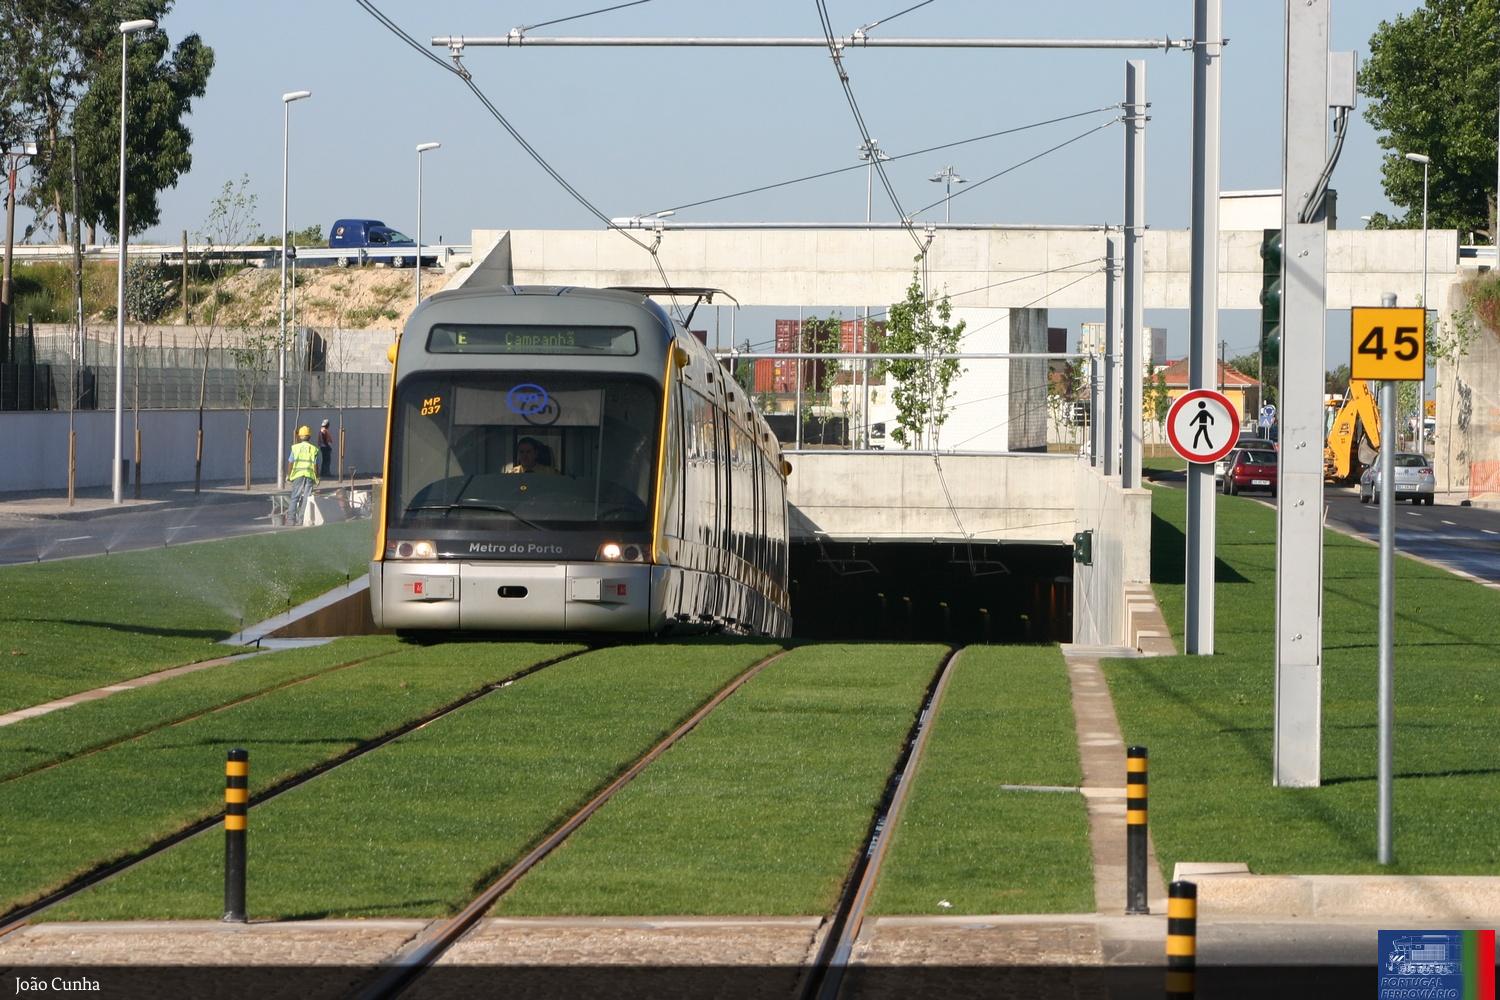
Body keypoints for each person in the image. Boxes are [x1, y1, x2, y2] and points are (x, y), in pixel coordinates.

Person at [286, 425, 320, 525]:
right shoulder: (313, 449)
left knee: (294, 497)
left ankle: (291, 520)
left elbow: (290, 462)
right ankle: (301, 520)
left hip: (297, 475)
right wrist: (317, 477)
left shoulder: (295, 448)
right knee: (306, 497)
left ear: (300, 436)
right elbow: (315, 465)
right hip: (309, 475)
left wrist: (288, 475)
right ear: (309, 436)